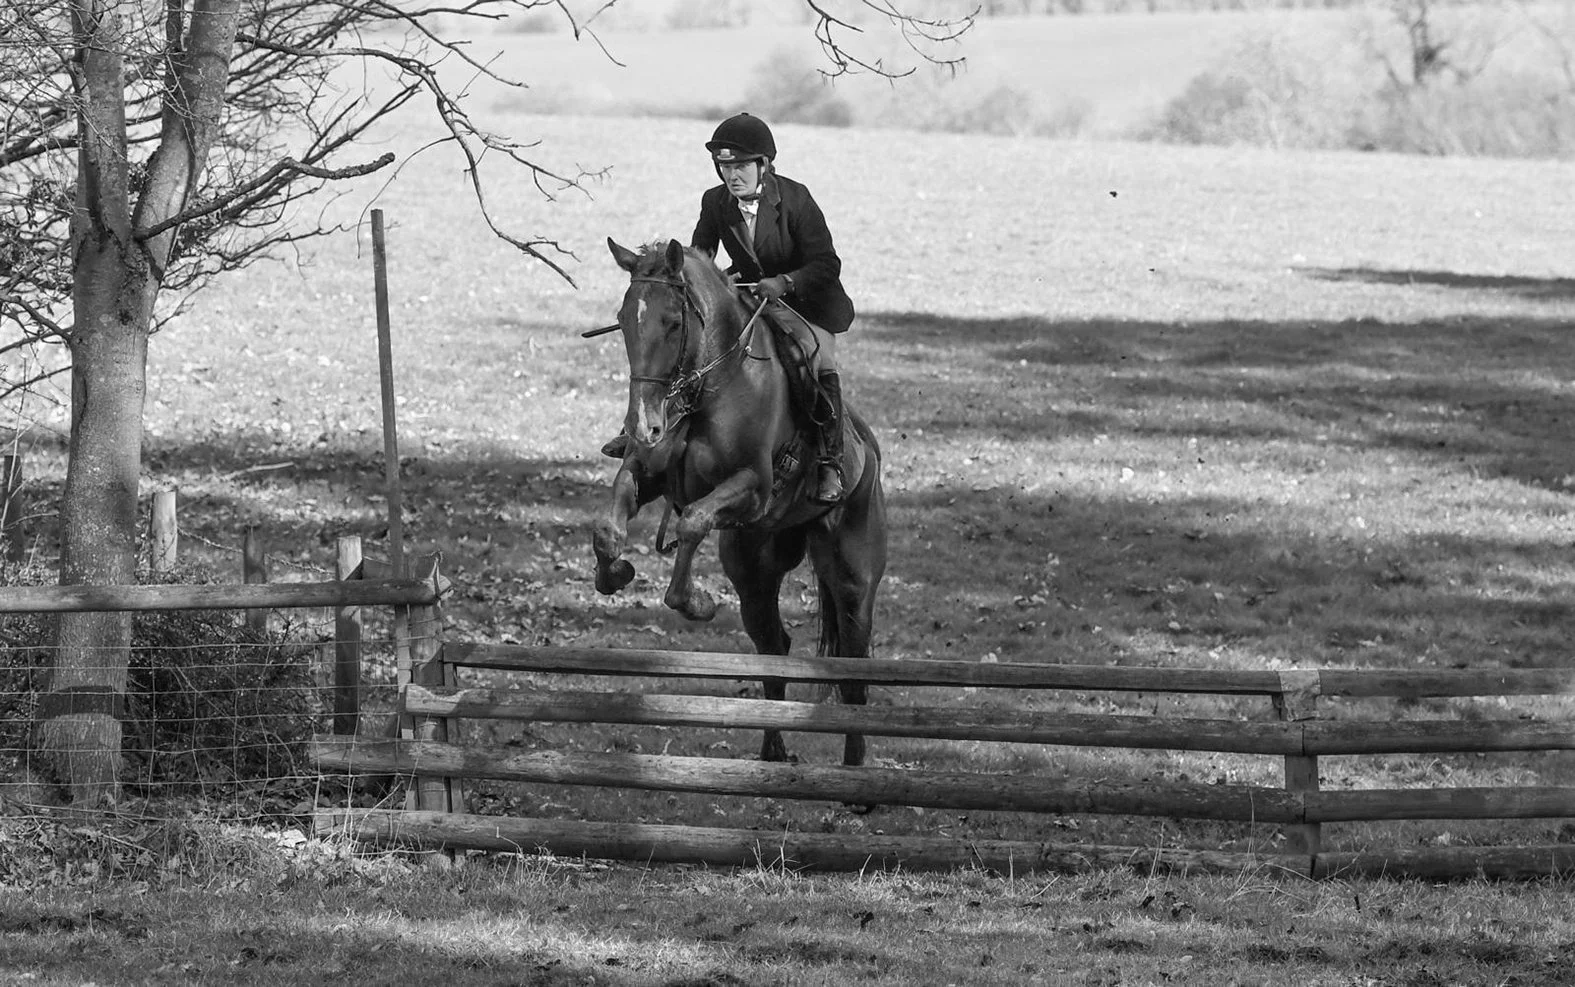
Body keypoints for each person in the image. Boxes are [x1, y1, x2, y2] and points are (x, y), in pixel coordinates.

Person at [602, 112, 855, 505]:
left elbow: (826, 264)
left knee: (816, 360)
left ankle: (829, 459)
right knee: (688, 345)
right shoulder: (715, 201)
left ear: (764, 165)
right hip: (748, 299)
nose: (732, 175)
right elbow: (699, 256)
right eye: (725, 167)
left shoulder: (796, 199)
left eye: (740, 166)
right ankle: (645, 431)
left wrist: (785, 282)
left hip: (807, 305)